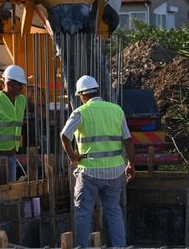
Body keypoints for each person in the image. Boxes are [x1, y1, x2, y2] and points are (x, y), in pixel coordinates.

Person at [60, 75, 135, 248]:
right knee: (114, 210)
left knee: (83, 213)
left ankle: (83, 246)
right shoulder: (116, 110)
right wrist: (131, 163)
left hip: (89, 173)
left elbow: (64, 135)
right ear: (98, 91)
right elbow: (128, 140)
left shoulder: (80, 112)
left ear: (81, 95)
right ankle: (119, 246)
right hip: (115, 171)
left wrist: (73, 156)